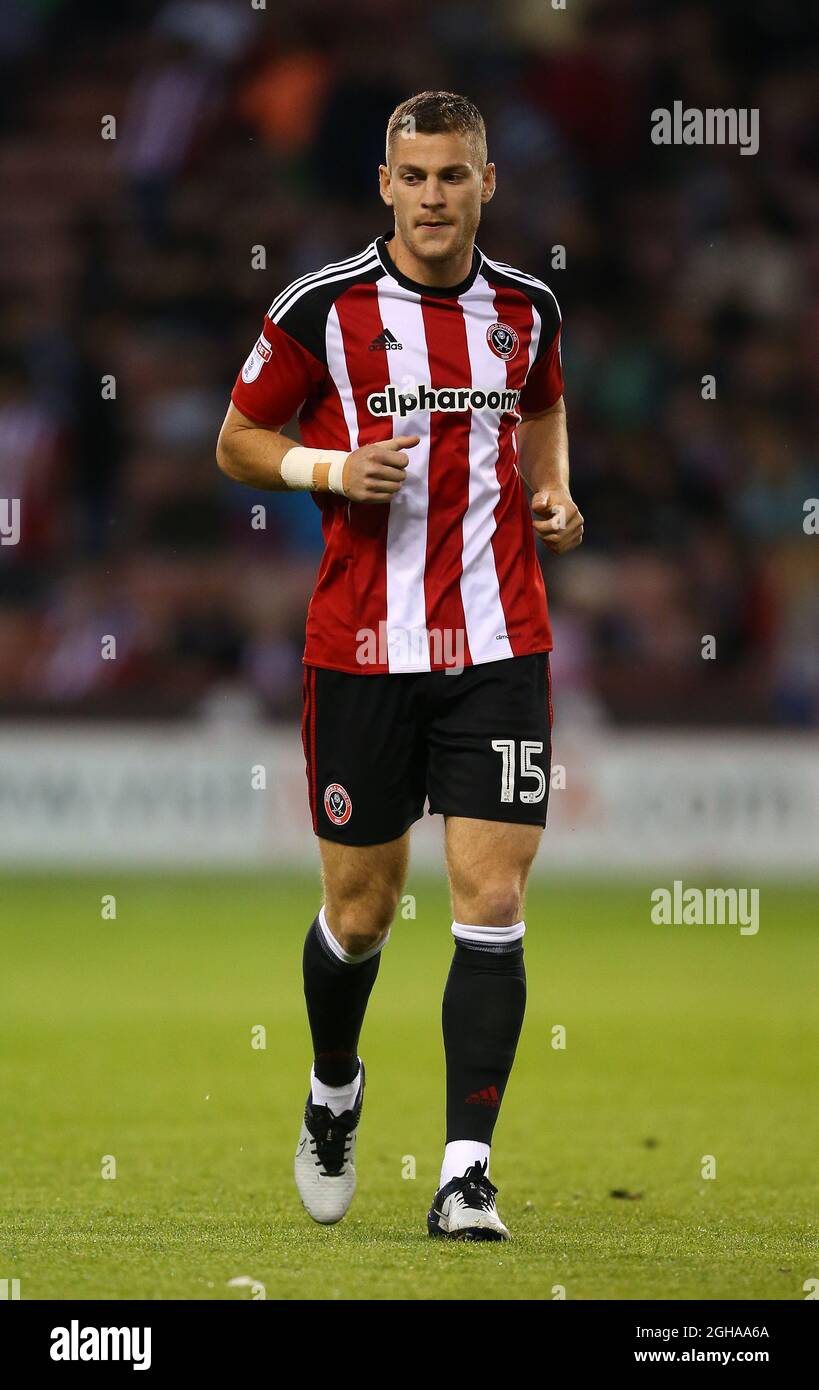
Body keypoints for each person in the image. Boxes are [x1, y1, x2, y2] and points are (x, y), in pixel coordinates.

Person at [216, 90, 583, 1241]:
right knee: (361, 911)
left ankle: (465, 1172)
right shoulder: (321, 307)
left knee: (493, 898)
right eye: (414, 176)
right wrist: (330, 470)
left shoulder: (527, 308)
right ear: (385, 184)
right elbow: (236, 441)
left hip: (499, 646)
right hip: (364, 650)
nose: (434, 196)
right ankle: (335, 1090)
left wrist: (555, 485)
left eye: (454, 175)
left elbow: (543, 406)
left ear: (488, 184)